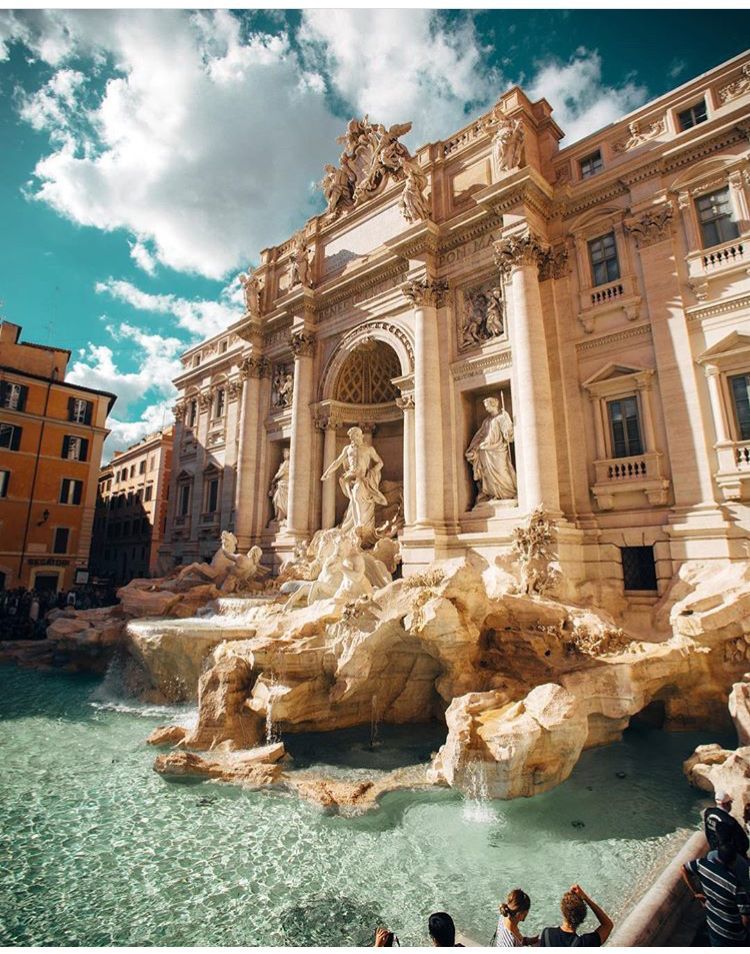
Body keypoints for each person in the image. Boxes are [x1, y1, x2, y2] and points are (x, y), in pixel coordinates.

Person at [682, 829, 750, 946]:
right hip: (734, 936)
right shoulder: (736, 886)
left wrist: (696, 892)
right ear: (734, 861)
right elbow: (746, 918)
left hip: (714, 927)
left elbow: (684, 868)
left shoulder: (702, 864)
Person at [539, 885, 613, 947]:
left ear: (563, 911)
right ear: (583, 917)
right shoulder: (585, 943)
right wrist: (585, 898)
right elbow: (608, 925)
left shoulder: (547, 934)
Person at [705, 791, 750, 858]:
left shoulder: (708, 812)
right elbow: (743, 843)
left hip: (714, 851)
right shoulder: (730, 821)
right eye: (730, 802)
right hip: (730, 856)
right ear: (726, 804)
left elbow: (708, 832)